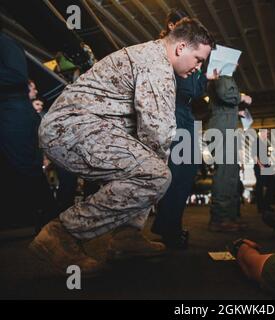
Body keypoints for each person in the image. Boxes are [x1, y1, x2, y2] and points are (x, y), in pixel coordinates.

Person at [29, 18, 215, 274]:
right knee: (155, 174)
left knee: (151, 168)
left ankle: (127, 238)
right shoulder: (156, 65)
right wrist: (156, 179)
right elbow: (158, 133)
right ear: (181, 47)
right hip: (70, 129)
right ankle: (62, 234)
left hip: (79, 126)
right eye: (198, 59)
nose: (198, 67)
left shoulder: (153, 56)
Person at [151, 9, 218, 249]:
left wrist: (206, 77)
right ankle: (169, 228)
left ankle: (168, 224)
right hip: (171, 110)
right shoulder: (165, 53)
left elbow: (196, 91)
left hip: (187, 113)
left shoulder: (192, 59)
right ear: (171, 26)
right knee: (175, 172)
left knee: (187, 171)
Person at [0, 26, 56, 230]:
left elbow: (17, 75)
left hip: (12, 111)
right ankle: (19, 216)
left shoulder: (5, 42)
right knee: (9, 168)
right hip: (8, 110)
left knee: (25, 167)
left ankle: (52, 222)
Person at [208, 75, 252, 232]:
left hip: (223, 125)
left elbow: (221, 101)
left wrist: (236, 112)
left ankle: (229, 216)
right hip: (222, 128)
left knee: (231, 172)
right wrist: (242, 97)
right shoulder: (223, 73)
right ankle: (220, 219)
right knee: (226, 173)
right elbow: (225, 93)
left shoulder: (220, 74)